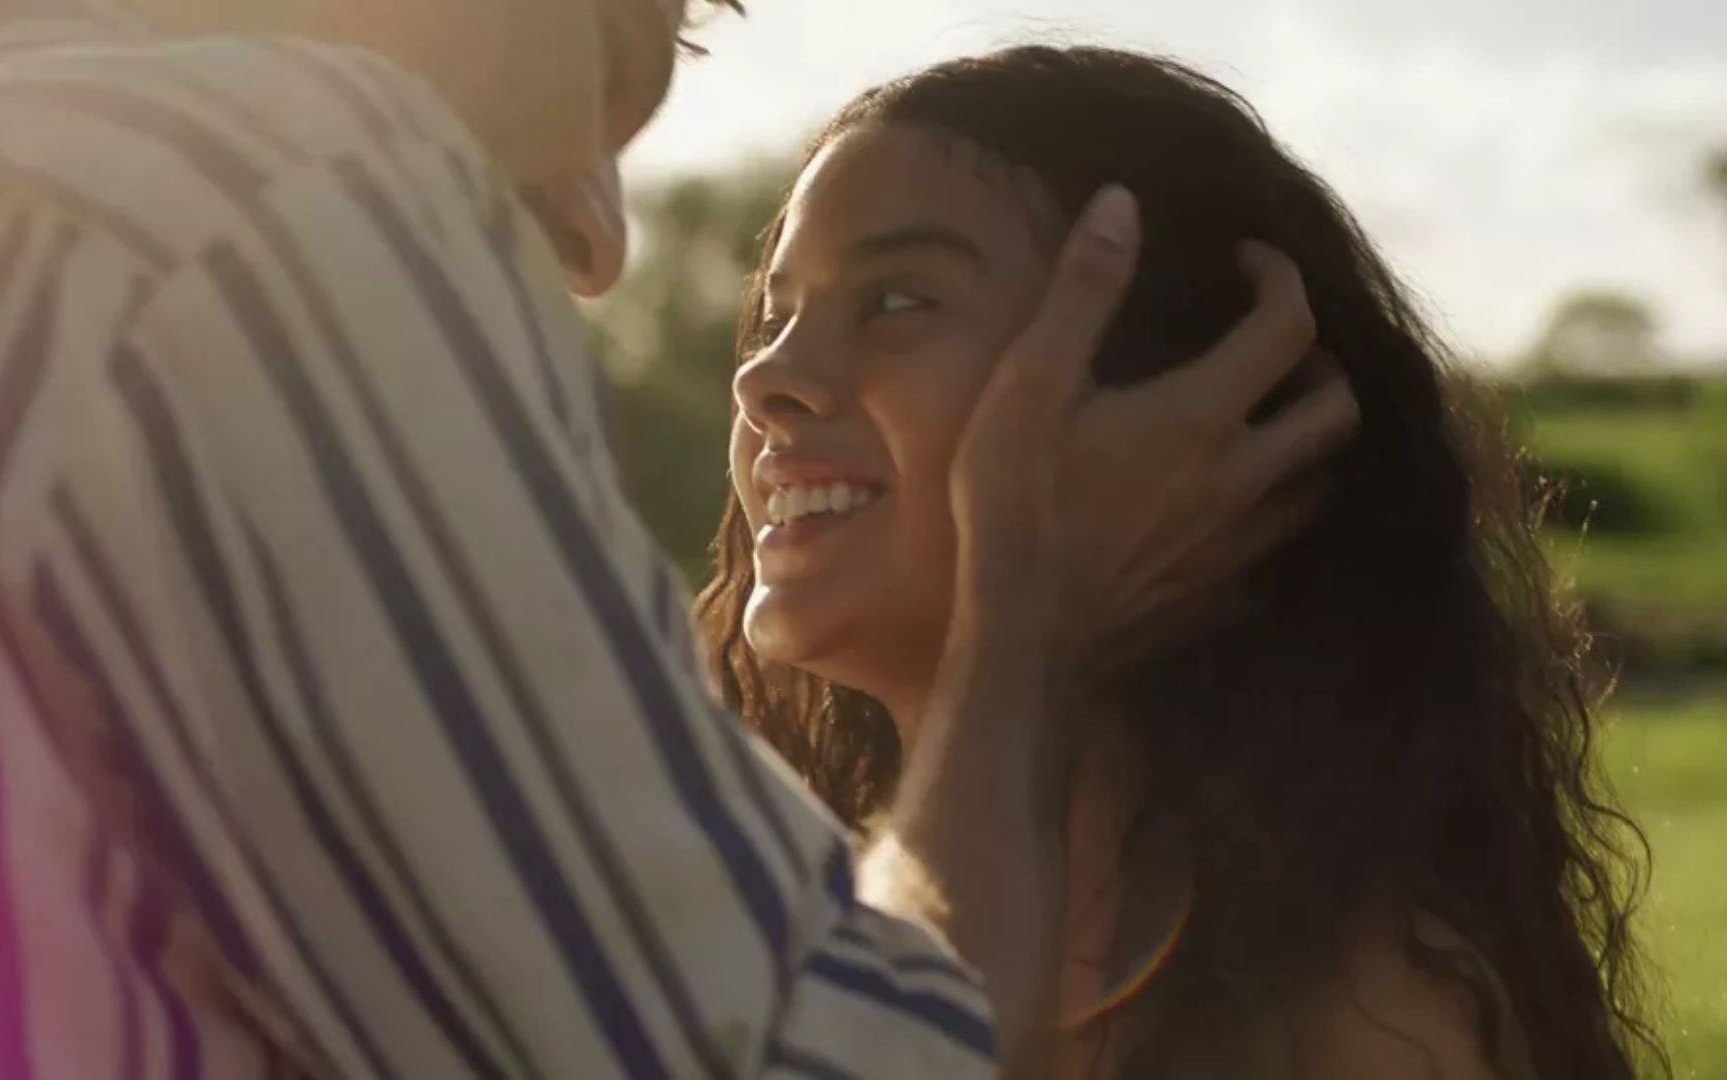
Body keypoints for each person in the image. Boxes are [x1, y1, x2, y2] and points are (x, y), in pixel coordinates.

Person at [0, 2, 1348, 1076]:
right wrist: (1033, 626)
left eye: (893, 301)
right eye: (617, 43)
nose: (602, 244)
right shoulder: (267, 209)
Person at [700, 45, 1665, 1079]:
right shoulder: (747, 934)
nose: (766, 376)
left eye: (896, 302)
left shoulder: (1361, 1031)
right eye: (773, 313)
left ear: (1179, 411)